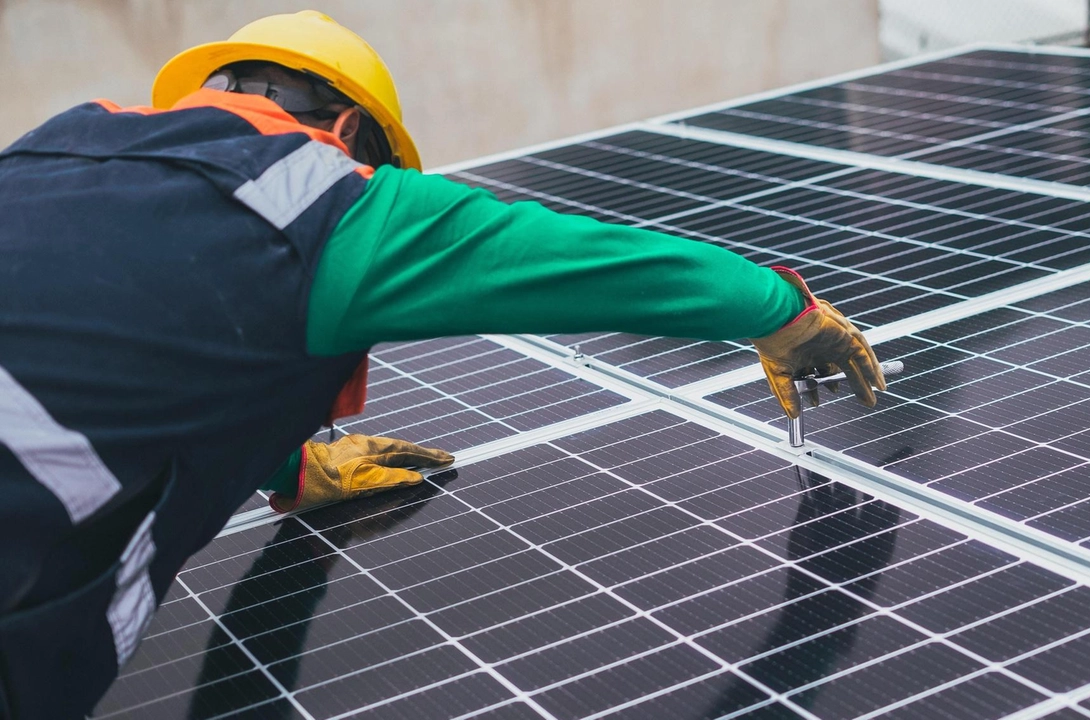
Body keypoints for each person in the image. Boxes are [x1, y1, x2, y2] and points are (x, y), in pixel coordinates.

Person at [0, 10, 883, 719]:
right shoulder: (326, 200)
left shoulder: (47, 150)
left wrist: (282, 461)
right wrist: (784, 312)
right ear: (350, 129)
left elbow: (117, 334)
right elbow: (584, 259)